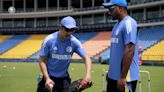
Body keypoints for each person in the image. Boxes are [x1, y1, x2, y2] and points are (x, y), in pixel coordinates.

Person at [37, 16, 92, 92]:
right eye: (67, 29)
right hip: (47, 76)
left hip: (63, 79)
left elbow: (87, 58)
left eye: (72, 30)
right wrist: (47, 78)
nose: (69, 33)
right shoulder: (49, 40)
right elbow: (41, 60)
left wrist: (88, 75)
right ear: (60, 28)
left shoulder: (74, 42)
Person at [103, 0, 139, 92]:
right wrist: (111, 73)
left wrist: (123, 77)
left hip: (124, 79)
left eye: (111, 8)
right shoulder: (116, 25)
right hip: (113, 77)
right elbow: (116, 52)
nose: (109, 11)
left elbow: (130, 50)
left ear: (120, 8)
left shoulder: (129, 23)